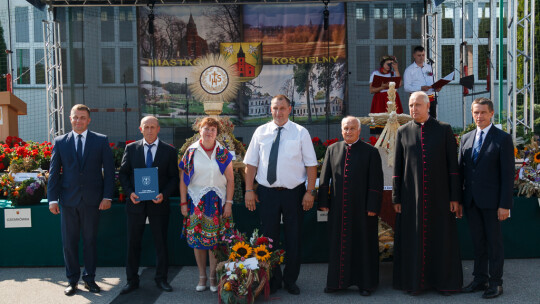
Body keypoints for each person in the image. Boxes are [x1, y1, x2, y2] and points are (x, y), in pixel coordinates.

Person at [244, 94, 318, 295]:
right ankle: (273, 279)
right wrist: (249, 190)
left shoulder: (301, 132)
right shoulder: (261, 132)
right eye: (275, 108)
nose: (278, 112)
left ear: (290, 109)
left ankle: (291, 280)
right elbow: (250, 164)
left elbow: (311, 165)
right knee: (269, 239)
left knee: (294, 237)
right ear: (270, 109)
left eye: (282, 108)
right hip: (268, 193)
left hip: (294, 193)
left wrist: (309, 192)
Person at [392, 91, 463, 295]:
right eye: (411, 105)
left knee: (441, 239)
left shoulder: (444, 129)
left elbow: (453, 167)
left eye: (418, 105)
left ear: (428, 106)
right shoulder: (403, 131)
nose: (414, 109)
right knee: (413, 240)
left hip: (439, 198)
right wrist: (396, 197)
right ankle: (415, 283)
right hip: (411, 198)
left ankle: (444, 283)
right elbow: (398, 167)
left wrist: (455, 197)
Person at [48, 104, 115, 296]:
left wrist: (107, 196)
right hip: (68, 201)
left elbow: (109, 172)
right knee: (69, 243)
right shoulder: (60, 142)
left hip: (93, 201)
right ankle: (72, 280)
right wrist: (52, 199)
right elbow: (54, 173)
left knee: (90, 241)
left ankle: (90, 279)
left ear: (89, 120)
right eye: (75, 117)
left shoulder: (100, 141)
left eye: (82, 117)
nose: (79, 120)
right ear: (70, 119)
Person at [318, 116, 383, 296]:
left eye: (352, 128)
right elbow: (325, 178)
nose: (348, 131)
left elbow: (376, 181)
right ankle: (337, 282)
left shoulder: (370, 152)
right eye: (345, 128)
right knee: (338, 245)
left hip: (363, 209)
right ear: (341, 130)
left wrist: (372, 206)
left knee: (363, 245)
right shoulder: (332, 149)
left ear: (359, 131)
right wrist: (324, 202)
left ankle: (366, 284)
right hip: (338, 208)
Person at [459, 98, 514, 299]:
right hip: (471, 202)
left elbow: (508, 175)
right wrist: (458, 200)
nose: (479, 116)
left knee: (494, 243)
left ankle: (496, 283)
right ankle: (479, 278)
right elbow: (461, 172)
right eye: (476, 112)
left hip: (493, 203)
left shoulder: (502, 139)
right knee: (478, 242)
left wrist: (505, 205)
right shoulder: (466, 139)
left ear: (491, 114)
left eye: (483, 112)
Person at [118, 116, 179, 294]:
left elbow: (174, 177)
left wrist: (164, 194)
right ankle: (131, 280)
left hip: (159, 204)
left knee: (160, 243)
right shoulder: (131, 148)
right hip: (136, 204)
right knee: (133, 243)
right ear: (141, 129)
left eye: (153, 127)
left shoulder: (168, 150)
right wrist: (130, 192)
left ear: (159, 129)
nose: (150, 130)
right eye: (147, 127)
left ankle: (161, 279)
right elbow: (123, 174)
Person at [179, 117, 234, 293]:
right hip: (196, 201)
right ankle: (202, 276)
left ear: (217, 132)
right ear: (199, 130)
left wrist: (229, 204)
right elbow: (183, 180)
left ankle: (212, 276)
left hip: (218, 201)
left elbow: (231, 180)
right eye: (206, 128)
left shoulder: (223, 152)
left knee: (214, 242)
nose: (209, 132)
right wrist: (183, 203)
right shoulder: (191, 152)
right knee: (198, 241)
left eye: (212, 129)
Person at [369, 55, 403, 133]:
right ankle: (378, 143)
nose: (389, 66)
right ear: (382, 63)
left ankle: (394, 143)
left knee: (394, 125)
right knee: (380, 125)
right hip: (380, 99)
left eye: (391, 64)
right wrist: (382, 87)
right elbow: (371, 90)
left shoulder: (393, 73)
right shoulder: (376, 73)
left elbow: (399, 84)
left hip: (393, 98)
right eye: (388, 64)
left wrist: (396, 69)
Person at [403, 46, 440, 118]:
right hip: (417, 99)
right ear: (414, 55)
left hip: (431, 98)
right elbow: (406, 87)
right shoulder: (409, 70)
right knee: (420, 120)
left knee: (432, 120)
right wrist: (420, 88)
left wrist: (436, 87)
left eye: (423, 55)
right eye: (419, 55)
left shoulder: (429, 67)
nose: (421, 57)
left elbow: (433, 81)